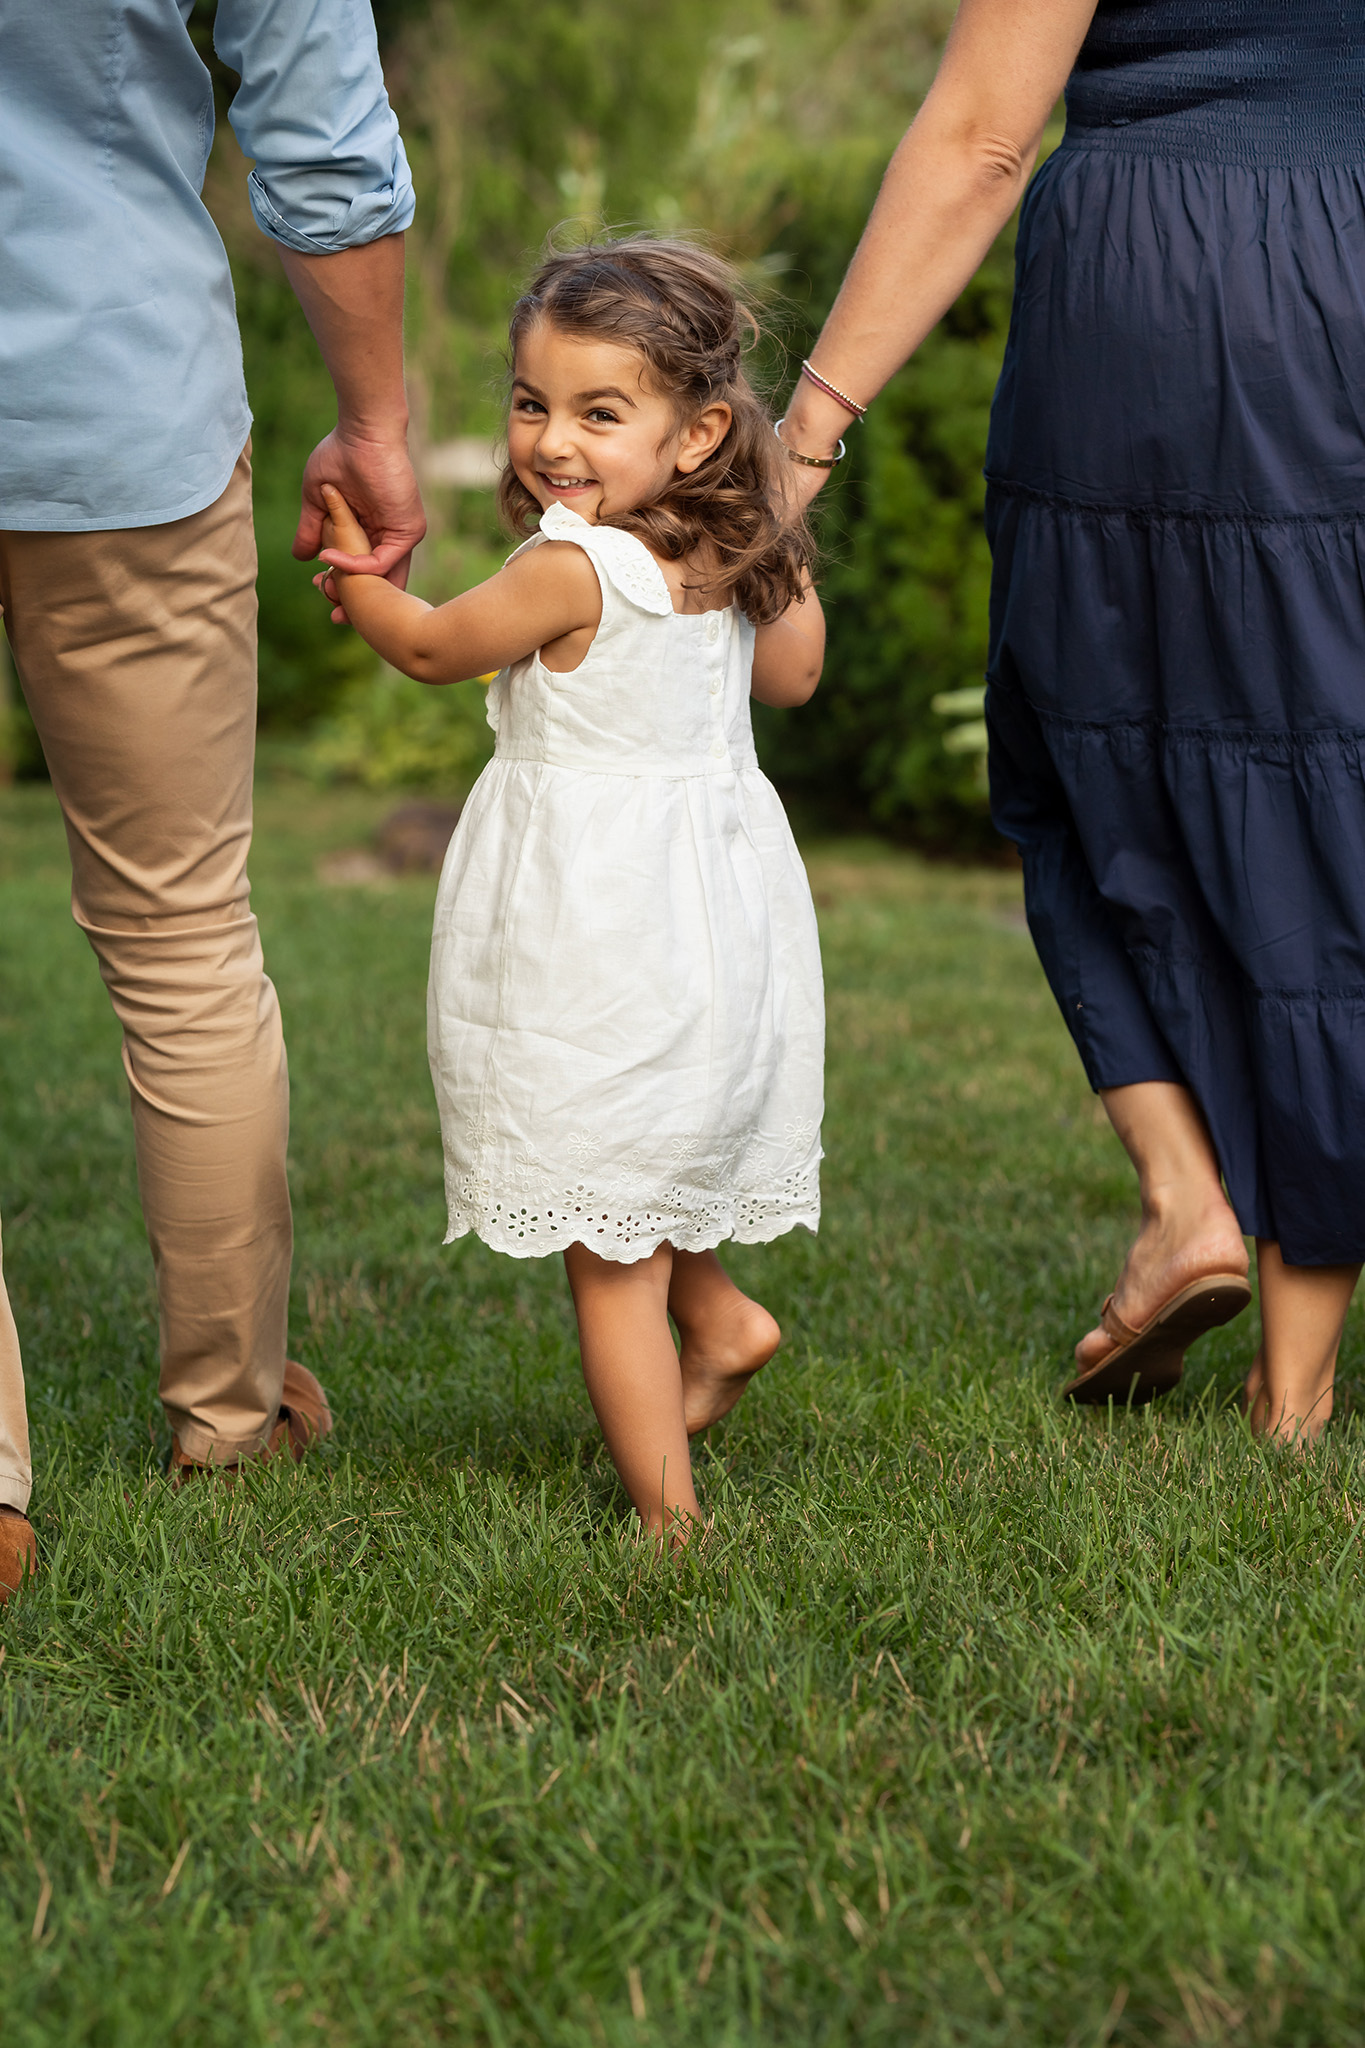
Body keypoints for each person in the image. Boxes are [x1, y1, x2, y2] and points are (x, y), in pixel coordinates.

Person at [775, 0, 1365, 1442]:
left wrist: (797, 440)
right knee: (1319, 781)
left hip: (1156, 292)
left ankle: (1185, 1197)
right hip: (1341, 262)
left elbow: (984, 132)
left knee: (1073, 756)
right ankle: (1294, 1373)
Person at [0, 0, 425, 1599]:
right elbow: (324, 142)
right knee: (180, 934)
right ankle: (229, 1424)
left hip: (124, 427)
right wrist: (379, 424)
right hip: (121, 417)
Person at [314, 239, 825, 1542]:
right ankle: (718, 1318)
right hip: (710, 932)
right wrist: (776, 517)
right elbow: (794, 680)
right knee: (639, 1167)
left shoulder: (572, 571)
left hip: (598, 940)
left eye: (601, 413)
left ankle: (666, 1518)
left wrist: (354, 583)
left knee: (608, 1256)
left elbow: (433, 647)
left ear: (697, 429)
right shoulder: (720, 566)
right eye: (533, 402)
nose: (552, 440)